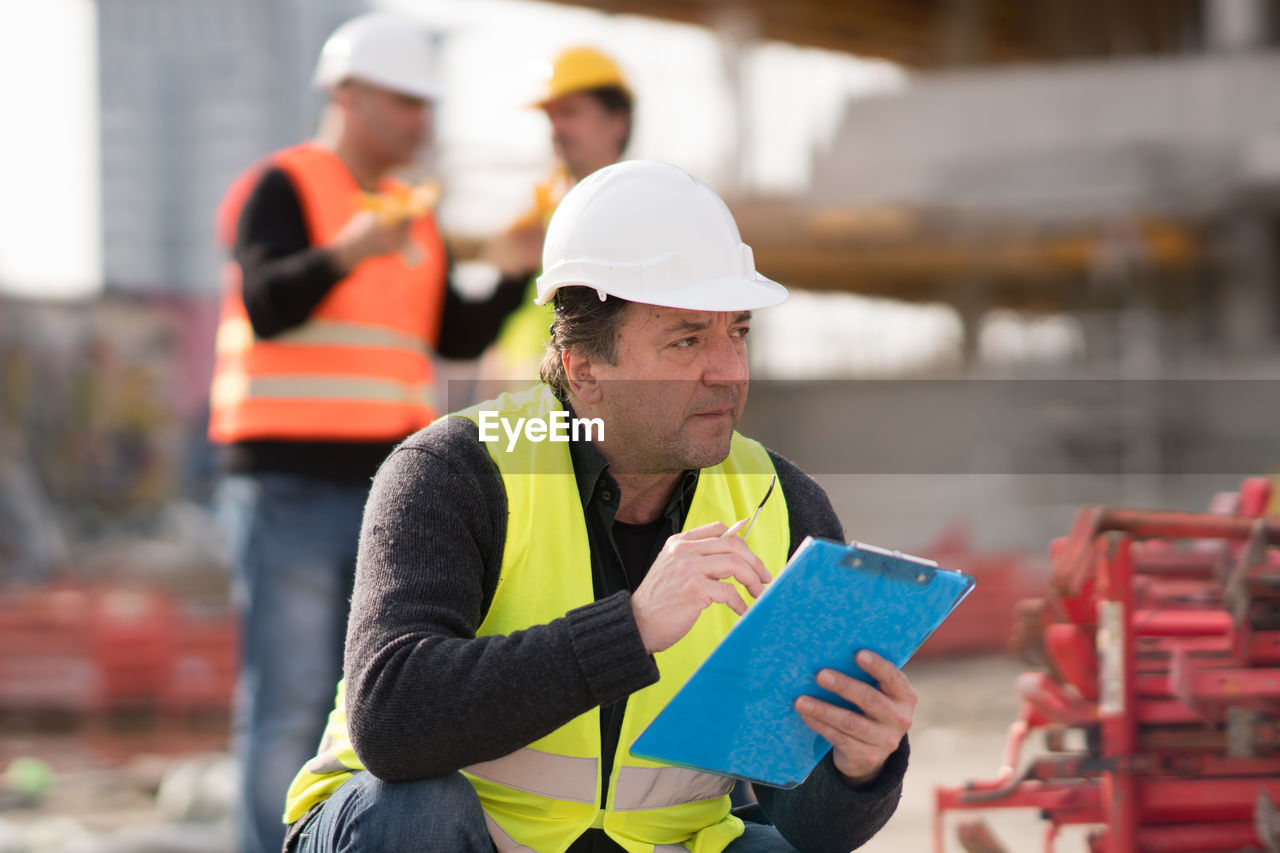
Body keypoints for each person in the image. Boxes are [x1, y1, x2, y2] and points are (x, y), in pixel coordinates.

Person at [281, 160, 915, 853]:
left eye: (738, 332)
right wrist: (632, 628)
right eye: (687, 338)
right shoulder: (454, 471)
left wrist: (862, 767)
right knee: (412, 812)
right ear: (584, 364)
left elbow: (807, 825)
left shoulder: (782, 502)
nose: (729, 371)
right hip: (468, 837)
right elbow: (391, 721)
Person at [208, 13, 526, 853]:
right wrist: (348, 252)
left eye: (427, 104)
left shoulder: (412, 220)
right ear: (345, 95)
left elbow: (451, 335)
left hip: (389, 488)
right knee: (287, 699)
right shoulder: (285, 186)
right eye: (405, 101)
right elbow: (267, 301)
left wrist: (514, 269)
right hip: (286, 481)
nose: (422, 120)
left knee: (370, 696)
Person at [483, 45, 635, 379]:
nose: (557, 127)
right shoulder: (537, 219)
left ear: (618, 122)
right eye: (551, 115)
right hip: (526, 411)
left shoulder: (639, 219)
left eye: (570, 112)